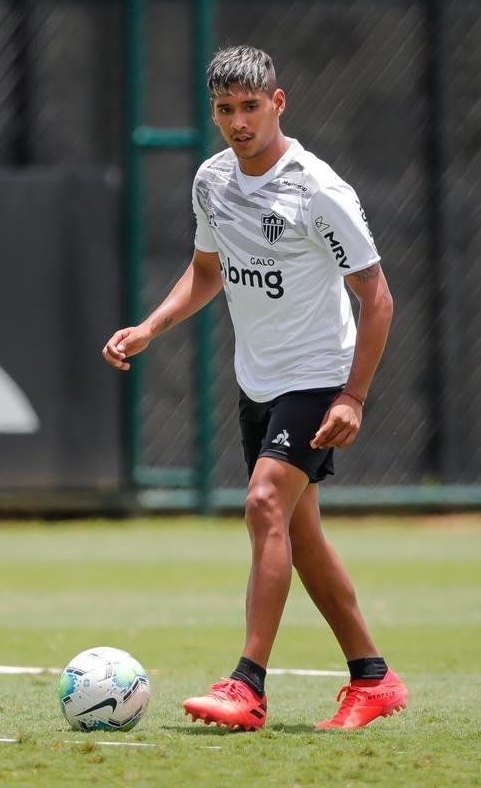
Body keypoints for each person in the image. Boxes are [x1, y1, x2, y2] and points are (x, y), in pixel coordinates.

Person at [102, 45, 405, 731]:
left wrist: (353, 395)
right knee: (299, 535)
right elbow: (207, 271)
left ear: (278, 102)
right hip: (258, 380)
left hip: (317, 376)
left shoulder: (317, 189)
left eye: (249, 106)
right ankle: (373, 677)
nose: (238, 122)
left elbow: (378, 297)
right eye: (224, 109)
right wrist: (151, 326)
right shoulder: (212, 181)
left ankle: (247, 684)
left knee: (265, 503)